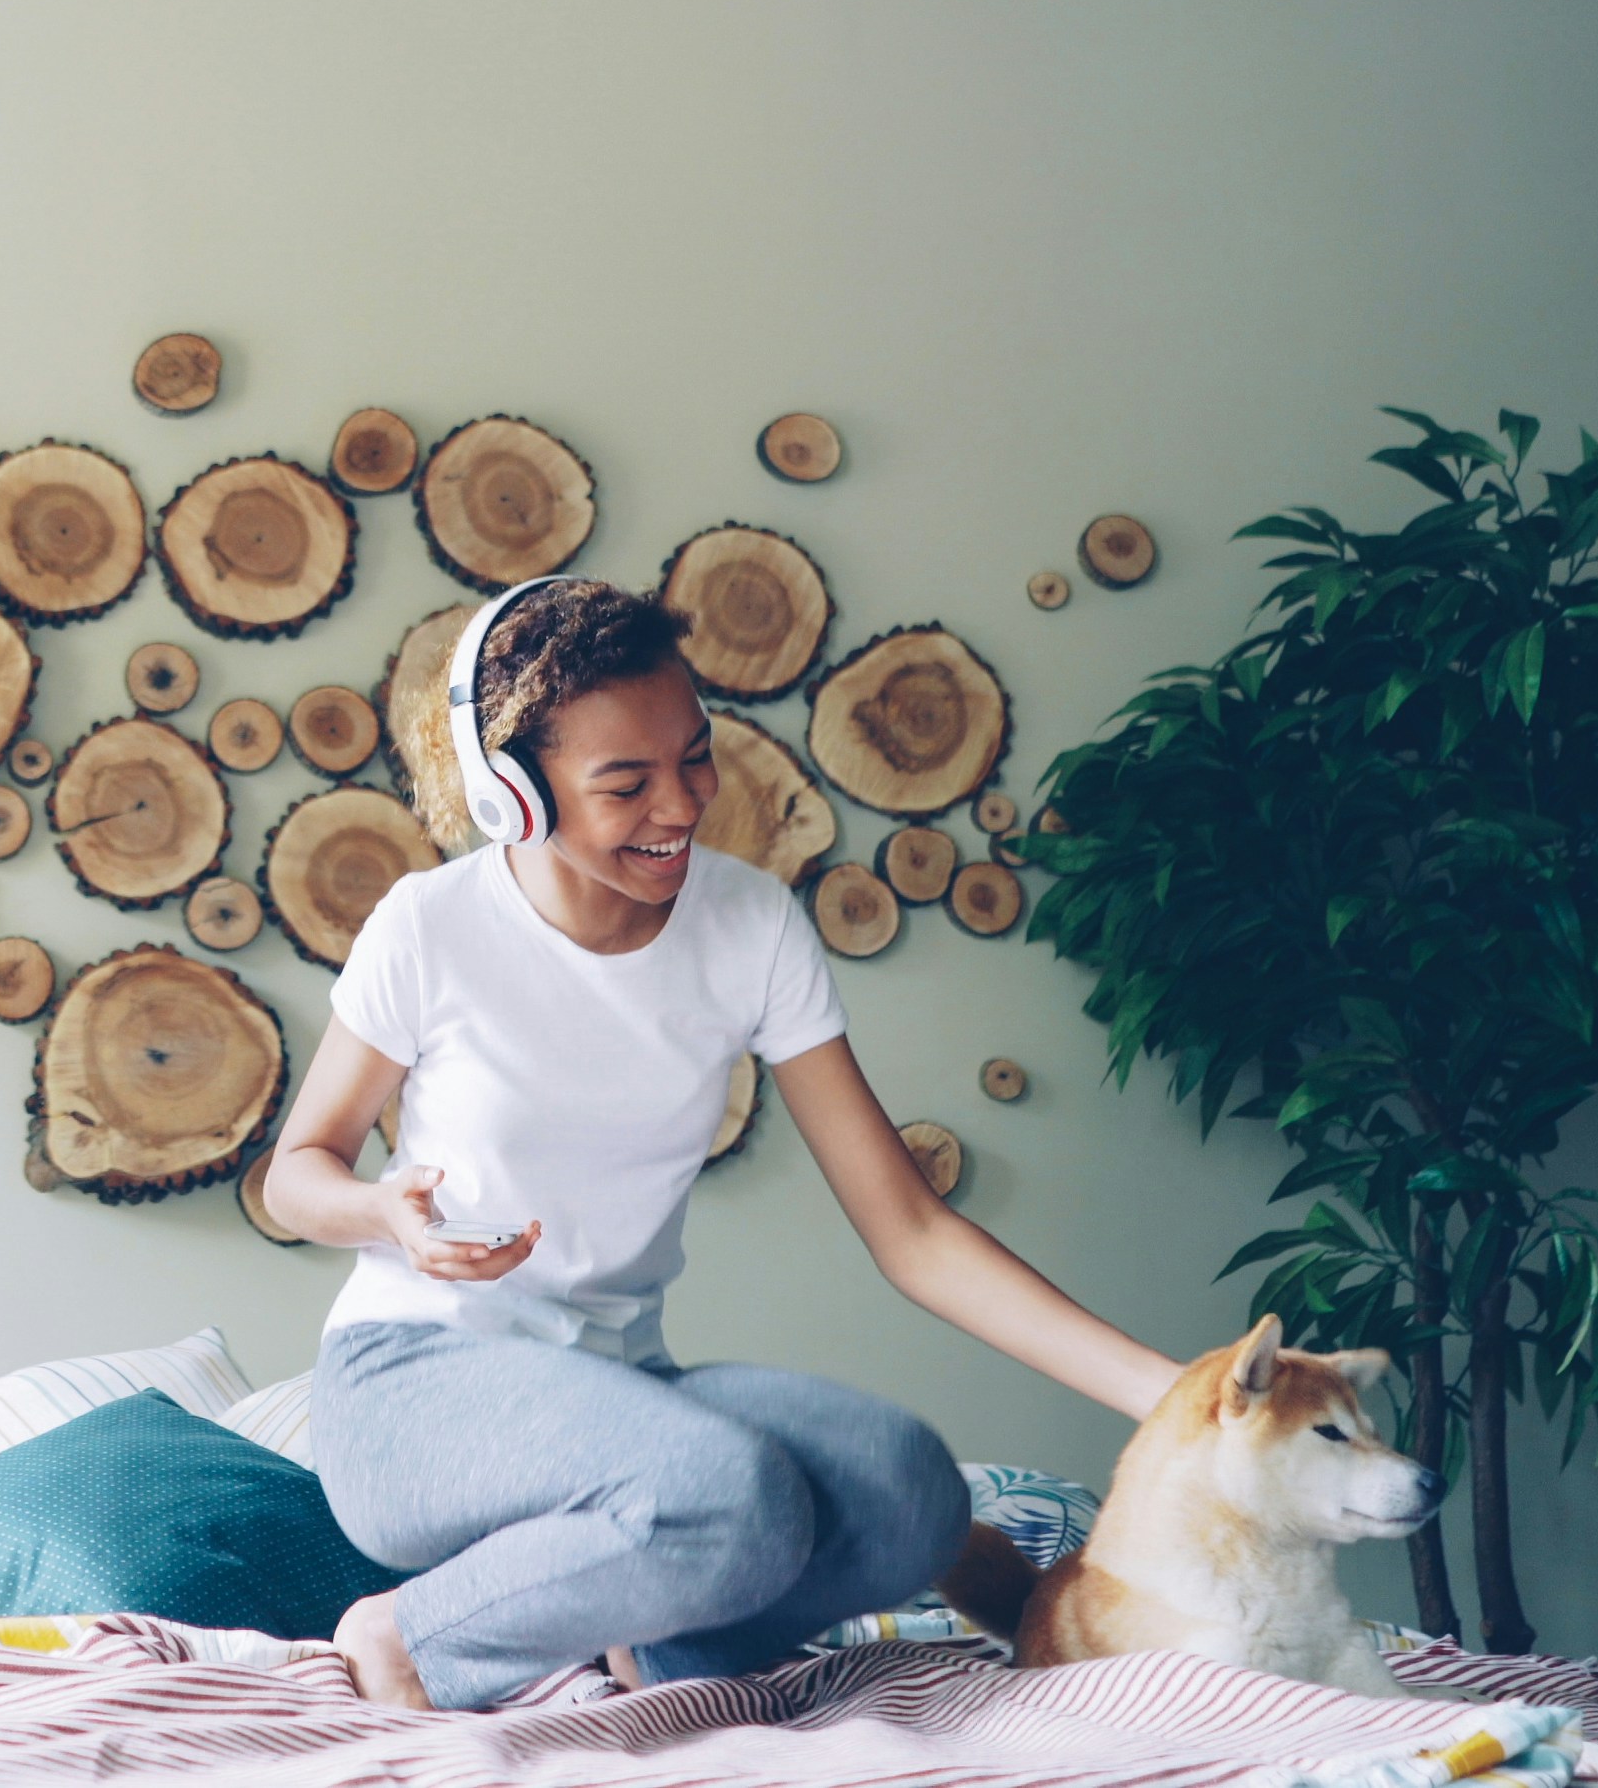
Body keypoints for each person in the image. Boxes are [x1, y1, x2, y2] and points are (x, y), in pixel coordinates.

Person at [259, 577, 1183, 1711]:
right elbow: (293, 1174)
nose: (681, 804)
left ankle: (672, 1654)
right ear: (515, 793)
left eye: (693, 756)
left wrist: (1168, 1389)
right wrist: (383, 1208)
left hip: (620, 1385)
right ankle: (409, 1635)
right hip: (409, 1386)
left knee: (910, 1494)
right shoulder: (431, 925)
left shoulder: (748, 925)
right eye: (624, 782)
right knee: (726, 1494)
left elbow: (913, 1230)